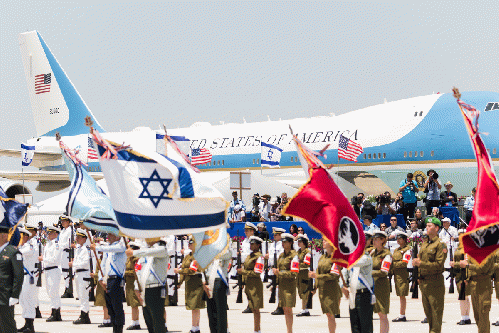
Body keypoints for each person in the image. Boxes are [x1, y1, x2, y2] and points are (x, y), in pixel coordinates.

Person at [412, 217, 447, 333]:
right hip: (424, 282)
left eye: (430, 226)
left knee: (436, 315)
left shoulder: (440, 245)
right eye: (426, 225)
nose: (427, 227)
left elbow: (439, 264)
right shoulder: (425, 243)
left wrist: (420, 263)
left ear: (436, 228)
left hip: (435, 283)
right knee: (429, 315)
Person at [129, 237, 170, 333]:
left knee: (157, 320)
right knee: (148, 320)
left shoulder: (162, 249)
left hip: (156, 289)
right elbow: (139, 271)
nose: (146, 238)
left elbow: (152, 251)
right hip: (144, 290)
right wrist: (136, 287)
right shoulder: (146, 253)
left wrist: (133, 253)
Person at [91, 233, 127, 333]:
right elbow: (103, 264)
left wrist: (98, 247)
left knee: (117, 305)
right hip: (107, 279)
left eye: (111, 235)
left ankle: (119, 328)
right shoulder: (108, 248)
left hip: (116, 279)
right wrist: (101, 279)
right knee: (110, 305)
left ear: (117, 236)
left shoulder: (121, 245)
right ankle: (114, 326)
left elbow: (117, 248)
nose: (108, 237)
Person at [342, 235, 374, 333]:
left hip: (363, 294)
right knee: (354, 324)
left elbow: (354, 263)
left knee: (365, 325)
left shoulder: (366, 257)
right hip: (352, 294)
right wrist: (343, 286)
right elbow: (344, 272)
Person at [460, 249, 494, 333]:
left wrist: (468, 265)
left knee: (483, 315)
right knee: (477, 316)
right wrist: (467, 279)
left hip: (483, 285)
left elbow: (483, 268)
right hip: (473, 284)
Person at [309, 239, 340, 333]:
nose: (323, 242)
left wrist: (317, 276)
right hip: (322, 290)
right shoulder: (322, 257)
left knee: (331, 315)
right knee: (328, 314)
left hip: (331, 290)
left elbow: (334, 275)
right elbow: (318, 271)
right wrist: (315, 287)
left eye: (325, 241)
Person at [176, 237, 205, 333]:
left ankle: (195, 327)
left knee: (195, 306)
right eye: (189, 243)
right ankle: (194, 326)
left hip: (196, 283)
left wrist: (178, 271)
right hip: (189, 284)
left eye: (191, 244)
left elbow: (192, 270)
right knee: (192, 307)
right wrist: (179, 282)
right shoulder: (187, 256)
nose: (189, 245)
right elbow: (184, 269)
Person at [0, 224, 24, 333]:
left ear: (4, 236)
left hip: (5, 296)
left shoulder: (12, 252)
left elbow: (18, 276)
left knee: (7, 325)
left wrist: (15, 295)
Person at [238, 236, 264, 333]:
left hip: (255, 284)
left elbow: (257, 272)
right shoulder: (250, 255)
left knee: (256, 309)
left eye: (253, 244)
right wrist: (242, 282)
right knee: (253, 308)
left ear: (258, 245)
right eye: (250, 244)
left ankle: (257, 330)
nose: (251, 245)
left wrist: (243, 272)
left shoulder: (259, 257)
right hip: (249, 284)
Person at [204, 245, 232, 333]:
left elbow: (227, 254)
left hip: (219, 282)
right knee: (211, 312)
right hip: (208, 281)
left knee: (220, 312)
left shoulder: (225, 249)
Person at [274, 233, 298, 333]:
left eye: (285, 242)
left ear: (291, 243)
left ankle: (290, 331)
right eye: (282, 242)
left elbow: (294, 273)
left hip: (289, 285)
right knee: (285, 309)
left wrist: (280, 273)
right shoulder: (281, 255)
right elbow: (279, 269)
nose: (283, 244)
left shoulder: (294, 255)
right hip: (282, 285)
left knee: (288, 308)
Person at [39, 224, 63, 322]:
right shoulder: (49, 244)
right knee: (50, 292)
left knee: (54, 292)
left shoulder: (57, 244)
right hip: (48, 270)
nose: (48, 234)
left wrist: (43, 259)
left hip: (53, 270)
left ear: (56, 234)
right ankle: (56, 312)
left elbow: (55, 259)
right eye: (48, 233)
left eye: (51, 233)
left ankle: (55, 312)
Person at [18, 223, 39, 333]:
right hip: (23, 277)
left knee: (29, 300)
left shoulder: (30, 246)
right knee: (22, 299)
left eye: (21, 236)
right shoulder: (23, 246)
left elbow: (22, 253)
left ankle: (30, 326)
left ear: (25, 236)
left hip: (29, 276)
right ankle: (26, 323)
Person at [70, 228, 93, 324]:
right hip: (78, 274)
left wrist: (73, 265)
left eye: (79, 237)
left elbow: (84, 263)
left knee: (84, 296)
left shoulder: (86, 249)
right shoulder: (79, 249)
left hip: (84, 274)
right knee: (80, 296)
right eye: (77, 237)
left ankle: (84, 315)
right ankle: (84, 314)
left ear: (84, 238)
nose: (77, 239)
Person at [370, 231, 391, 333]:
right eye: (373, 239)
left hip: (381, 286)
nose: (373, 241)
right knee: (378, 312)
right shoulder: (373, 252)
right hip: (372, 285)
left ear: (382, 240)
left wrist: (370, 272)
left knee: (382, 313)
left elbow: (384, 272)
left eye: (376, 239)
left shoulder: (387, 255)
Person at [450, 233, 471, 325]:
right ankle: (466, 317)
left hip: (464, 275)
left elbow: (466, 263)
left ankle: (464, 317)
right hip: (458, 275)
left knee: (463, 297)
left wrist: (467, 277)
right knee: (464, 297)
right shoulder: (458, 248)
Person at [391, 231, 411, 322]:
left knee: (402, 295)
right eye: (397, 239)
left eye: (400, 239)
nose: (398, 240)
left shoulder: (408, 249)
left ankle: (402, 314)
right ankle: (401, 314)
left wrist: (394, 265)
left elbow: (404, 262)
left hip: (402, 274)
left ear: (404, 240)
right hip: (396, 274)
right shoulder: (396, 250)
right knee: (399, 294)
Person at [265, 227, 285, 315]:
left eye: (276, 235)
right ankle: (279, 305)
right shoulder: (273, 244)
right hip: (272, 268)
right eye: (274, 235)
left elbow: (280, 256)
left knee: (279, 288)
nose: (275, 236)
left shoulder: (283, 244)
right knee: (275, 288)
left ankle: (281, 306)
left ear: (281, 235)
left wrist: (270, 257)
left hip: (279, 268)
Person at [124, 241, 142, 330]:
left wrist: (126, 273)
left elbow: (136, 271)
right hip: (129, 283)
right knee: (132, 303)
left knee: (135, 303)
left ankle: (136, 322)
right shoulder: (129, 258)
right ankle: (134, 321)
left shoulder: (136, 259)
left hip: (134, 282)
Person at [59, 215, 75, 298]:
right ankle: (67, 288)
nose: (62, 223)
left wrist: (61, 245)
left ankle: (68, 290)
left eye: (64, 221)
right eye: (62, 221)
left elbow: (70, 243)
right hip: (63, 253)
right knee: (64, 272)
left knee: (68, 272)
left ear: (68, 222)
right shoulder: (62, 231)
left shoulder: (70, 230)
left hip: (68, 253)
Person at [295, 234, 311, 317]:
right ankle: (305, 309)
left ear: (304, 243)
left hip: (304, 274)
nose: (298, 243)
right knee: (300, 290)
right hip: (299, 274)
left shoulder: (307, 252)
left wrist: (297, 266)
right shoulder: (299, 251)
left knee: (304, 291)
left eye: (300, 241)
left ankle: (304, 309)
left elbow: (306, 264)